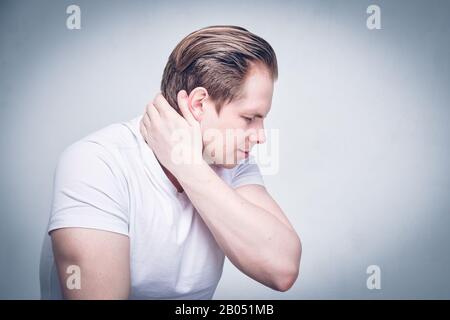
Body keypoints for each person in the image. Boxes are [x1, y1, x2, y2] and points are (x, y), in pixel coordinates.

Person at [39, 25, 302, 299]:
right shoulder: (96, 162)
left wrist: (187, 166)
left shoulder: (230, 160)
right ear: (199, 104)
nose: (260, 137)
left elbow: (282, 270)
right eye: (249, 118)